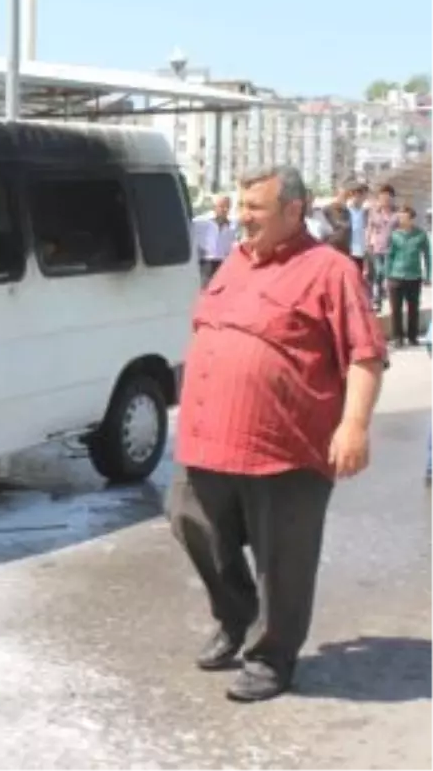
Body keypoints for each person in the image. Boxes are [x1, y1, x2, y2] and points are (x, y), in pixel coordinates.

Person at [169, 165, 386, 703]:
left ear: (294, 211)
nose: (242, 218)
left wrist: (354, 425)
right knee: (187, 517)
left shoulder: (330, 271)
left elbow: (365, 356)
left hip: (286, 448)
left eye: (254, 209)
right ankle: (235, 615)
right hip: (209, 440)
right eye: (240, 206)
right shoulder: (233, 264)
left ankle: (273, 655)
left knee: (282, 558)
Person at [384, 205, 430, 347]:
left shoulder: (421, 235)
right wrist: (387, 275)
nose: (401, 219)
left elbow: (428, 256)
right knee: (396, 309)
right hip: (396, 276)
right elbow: (389, 256)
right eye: (400, 216)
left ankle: (412, 337)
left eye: (404, 217)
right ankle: (398, 337)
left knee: (413, 308)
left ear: (411, 219)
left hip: (414, 276)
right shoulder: (394, 235)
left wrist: (429, 275)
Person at [366, 184, 399, 312]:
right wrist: (368, 243)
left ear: (392, 198)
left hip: (394, 250)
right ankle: (377, 301)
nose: (385, 200)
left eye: (388, 197)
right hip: (378, 249)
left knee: (391, 276)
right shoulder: (374, 213)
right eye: (383, 197)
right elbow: (369, 229)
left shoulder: (397, 213)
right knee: (379, 273)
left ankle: (393, 301)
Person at [195, 195, 237, 287]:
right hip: (206, 262)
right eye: (222, 206)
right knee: (205, 290)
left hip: (223, 263)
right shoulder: (201, 222)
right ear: (215, 207)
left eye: (227, 207)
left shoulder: (232, 226)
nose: (224, 209)